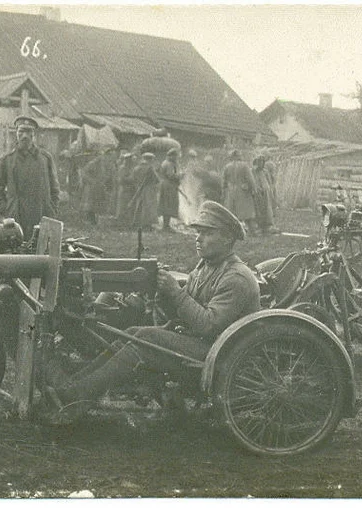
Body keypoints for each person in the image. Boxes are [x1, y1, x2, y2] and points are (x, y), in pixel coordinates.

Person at [41, 201, 260, 423]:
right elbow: (187, 311)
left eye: (207, 233)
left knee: (145, 339)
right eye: (198, 232)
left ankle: (75, 395)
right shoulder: (207, 266)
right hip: (200, 343)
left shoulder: (236, 278)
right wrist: (162, 294)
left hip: (218, 355)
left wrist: (175, 292)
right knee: (134, 332)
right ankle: (73, 386)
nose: (198, 238)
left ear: (227, 238)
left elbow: (208, 324)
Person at [0, 116, 60, 240]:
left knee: (41, 250)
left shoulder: (45, 158)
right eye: (21, 132)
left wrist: (52, 208)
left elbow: (55, 187)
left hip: (41, 214)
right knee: (16, 252)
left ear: (34, 135)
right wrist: (5, 209)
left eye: (29, 132)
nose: (25, 136)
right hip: (17, 216)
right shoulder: (6, 159)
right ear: (16, 134)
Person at [222, 149, 257, 234]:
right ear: (239, 156)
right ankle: (252, 231)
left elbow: (224, 181)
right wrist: (254, 189)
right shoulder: (244, 166)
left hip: (231, 192)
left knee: (232, 212)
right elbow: (250, 179)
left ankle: (232, 231)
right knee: (247, 212)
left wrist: (223, 192)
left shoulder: (227, 167)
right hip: (243, 191)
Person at [78, 148, 113, 225]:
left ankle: (96, 220)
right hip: (92, 186)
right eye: (108, 154)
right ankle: (89, 220)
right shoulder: (95, 162)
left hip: (99, 186)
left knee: (98, 203)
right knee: (90, 203)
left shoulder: (108, 163)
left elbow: (107, 175)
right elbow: (84, 172)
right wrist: (91, 181)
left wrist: (104, 181)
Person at [129, 152, 159, 230]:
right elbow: (156, 179)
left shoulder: (136, 167)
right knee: (148, 206)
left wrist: (138, 184)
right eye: (152, 159)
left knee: (139, 205)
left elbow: (133, 178)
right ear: (150, 159)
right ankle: (147, 224)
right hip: (149, 189)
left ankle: (136, 222)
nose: (153, 161)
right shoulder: (150, 168)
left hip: (139, 188)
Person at [252, 155, 279, 235]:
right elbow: (253, 181)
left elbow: (269, 182)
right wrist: (257, 188)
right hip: (258, 193)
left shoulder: (265, 172)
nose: (261, 163)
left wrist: (270, 191)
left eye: (262, 162)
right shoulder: (253, 171)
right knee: (258, 209)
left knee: (268, 208)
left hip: (266, 192)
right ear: (256, 162)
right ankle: (259, 225)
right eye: (259, 162)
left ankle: (268, 225)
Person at [157, 147, 182, 232]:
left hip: (167, 185)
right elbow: (170, 175)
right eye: (176, 156)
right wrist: (180, 175)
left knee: (167, 204)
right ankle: (166, 226)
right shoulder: (169, 164)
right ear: (172, 156)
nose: (177, 158)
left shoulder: (166, 162)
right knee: (168, 204)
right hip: (168, 186)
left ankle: (166, 225)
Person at [115, 152, 136, 228]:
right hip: (124, 189)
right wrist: (131, 178)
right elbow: (121, 179)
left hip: (131, 189)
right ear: (126, 160)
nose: (130, 161)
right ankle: (120, 223)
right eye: (129, 159)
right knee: (122, 206)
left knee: (130, 206)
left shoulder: (132, 168)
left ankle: (128, 223)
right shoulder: (122, 168)